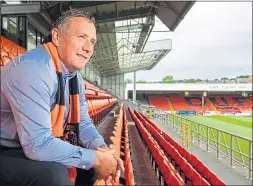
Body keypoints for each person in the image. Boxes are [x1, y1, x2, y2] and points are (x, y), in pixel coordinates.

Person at [0, 9, 124, 186]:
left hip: (23, 146)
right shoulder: (33, 69)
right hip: (6, 148)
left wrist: (102, 150)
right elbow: (38, 145)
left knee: (88, 163)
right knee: (53, 174)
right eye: (81, 37)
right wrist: (95, 159)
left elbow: (84, 123)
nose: (88, 48)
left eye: (92, 41)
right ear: (57, 37)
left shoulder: (75, 78)